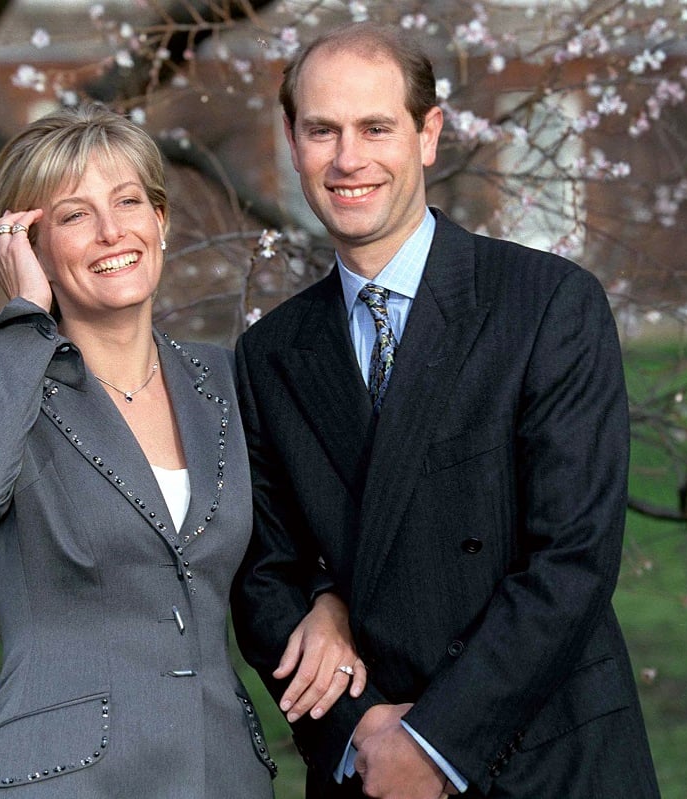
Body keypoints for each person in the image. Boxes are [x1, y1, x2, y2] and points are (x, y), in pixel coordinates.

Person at [232, 22, 661, 799]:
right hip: (367, 770)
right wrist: (356, 730)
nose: (348, 159)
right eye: (321, 130)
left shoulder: (547, 304)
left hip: (543, 759)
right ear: (293, 144)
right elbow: (265, 575)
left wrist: (433, 742)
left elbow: (572, 557)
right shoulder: (270, 354)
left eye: (375, 128)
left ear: (427, 135)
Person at [0, 103, 364, 799]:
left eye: (129, 201)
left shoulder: (225, 380)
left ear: (160, 220)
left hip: (221, 770)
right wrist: (24, 320)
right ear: (27, 244)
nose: (111, 231)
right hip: (60, 779)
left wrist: (328, 601)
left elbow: (293, 546)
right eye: (73, 215)